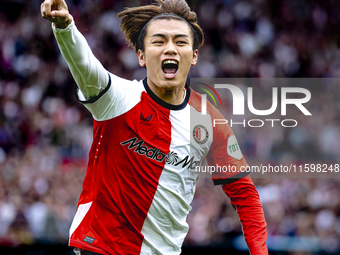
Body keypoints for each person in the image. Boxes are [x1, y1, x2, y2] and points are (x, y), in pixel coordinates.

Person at [40, 0, 268, 254]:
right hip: (101, 248)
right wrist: (65, 27)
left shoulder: (209, 120)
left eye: (180, 42)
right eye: (159, 41)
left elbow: (245, 194)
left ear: (193, 56)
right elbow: (85, 66)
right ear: (141, 55)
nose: (170, 49)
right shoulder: (117, 98)